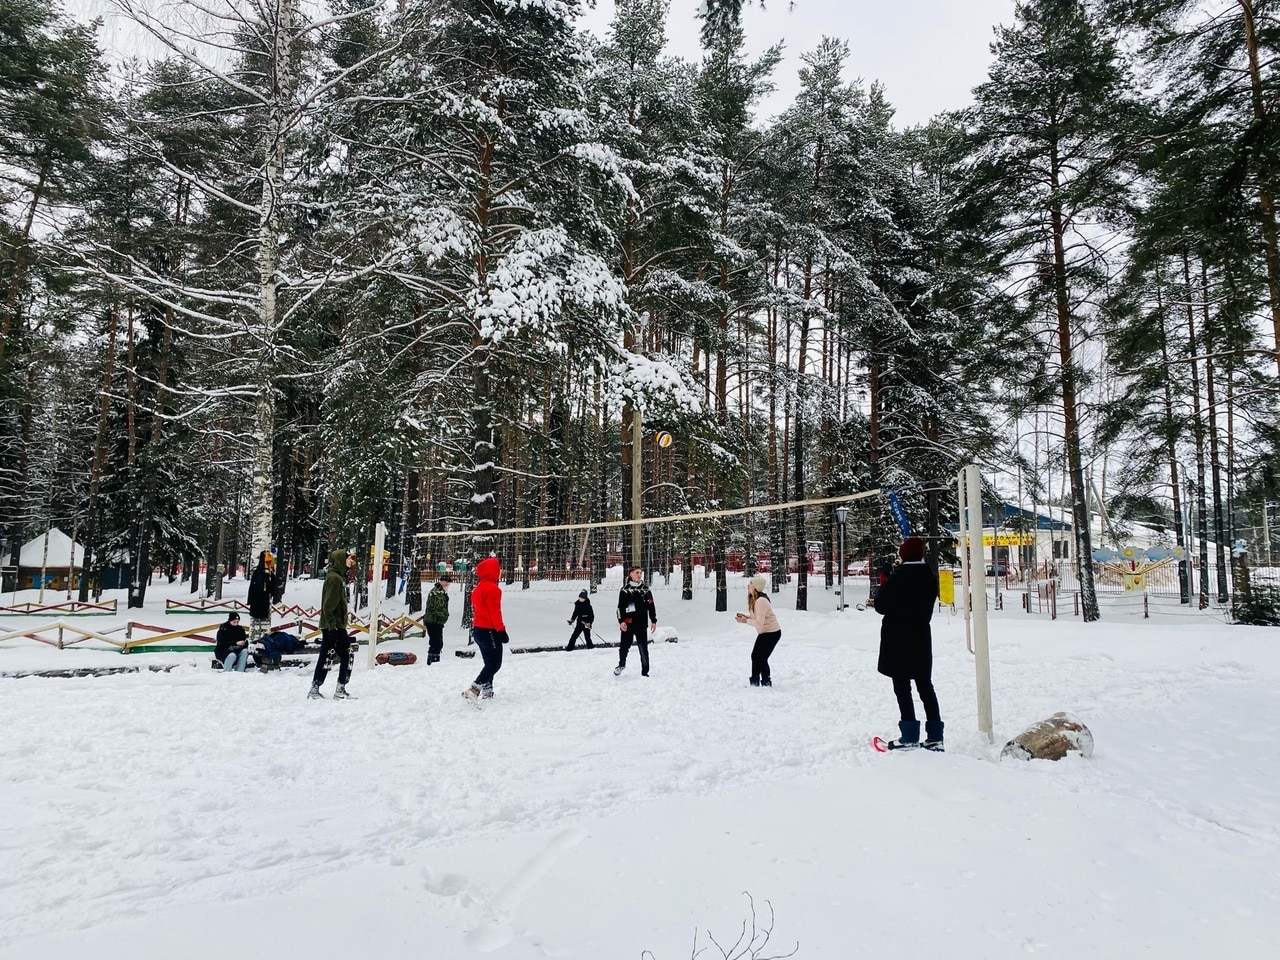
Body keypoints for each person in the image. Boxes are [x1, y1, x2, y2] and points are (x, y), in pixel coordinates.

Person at [874, 536, 943, 751]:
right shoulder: (930, 576)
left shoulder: (899, 577)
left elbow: (881, 606)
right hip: (921, 637)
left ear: (904, 554)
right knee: (925, 686)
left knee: (902, 687)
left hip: (898, 638)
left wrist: (886, 582)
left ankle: (909, 736)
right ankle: (935, 737)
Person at [310, 548, 356, 700]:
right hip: (334, 626)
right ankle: (340, 689)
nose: (351, 561)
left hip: (332, 625)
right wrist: (332, 626)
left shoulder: (336, 577)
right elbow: (329, 605)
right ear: (340, 560)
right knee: (347, 654)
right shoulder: (335, 579)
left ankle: (315, 688)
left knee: (326, 656)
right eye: (348, 558)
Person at [464, 556, 508, 701]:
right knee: (495, 664)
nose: (500, 572)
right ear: (493, 571)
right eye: (498, 569)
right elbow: (495, 612)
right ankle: (474, 688)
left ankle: (487, 691)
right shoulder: (493, 589)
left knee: (489, 662)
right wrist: (501, 630)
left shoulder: (478, 588)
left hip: (477, 630)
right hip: (489, 630)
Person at [735, 574, 781, 686]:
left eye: (751, 584)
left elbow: (759, 623)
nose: (748, 585)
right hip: (765, 632)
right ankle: (757, 680)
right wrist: (746, 617)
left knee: (760, 657)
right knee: (757, 656)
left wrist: (745, 621)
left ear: (756, 587)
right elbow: (757, 618)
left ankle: (764, 681)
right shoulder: (755, 599)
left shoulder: (761, 601)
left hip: (771, 633)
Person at [614, 566, 657, 677]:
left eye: (640, 573)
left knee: (643, 648)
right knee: (624, 647)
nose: (639, 575)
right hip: (627, 623)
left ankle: (645, 672)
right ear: (631, 574)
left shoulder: (645, 589)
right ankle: (621, 665)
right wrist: (621, 621)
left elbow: (651, 605)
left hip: (641, 624)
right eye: (637, 573)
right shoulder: (624, 590)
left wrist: (653, 620)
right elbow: (619, 608)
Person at [247, 549, 277, 651]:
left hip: (264, 602)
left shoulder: (270, 573)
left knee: (263, 625)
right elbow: (253, 587)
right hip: (257, 601)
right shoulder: (258, 572)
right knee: (257, 622)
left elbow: (272, 586)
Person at [423, 574, 452, 664]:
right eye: (446, 582)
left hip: (436, 621)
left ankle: (434, 659)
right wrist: (444, 616)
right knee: (436, 642)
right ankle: (432, 660)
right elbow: (437, 608)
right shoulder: (436, 592)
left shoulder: (440, 592)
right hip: (433, 620)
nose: (447, 584)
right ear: (441, 581)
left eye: (448, 583)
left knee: (437, 642)